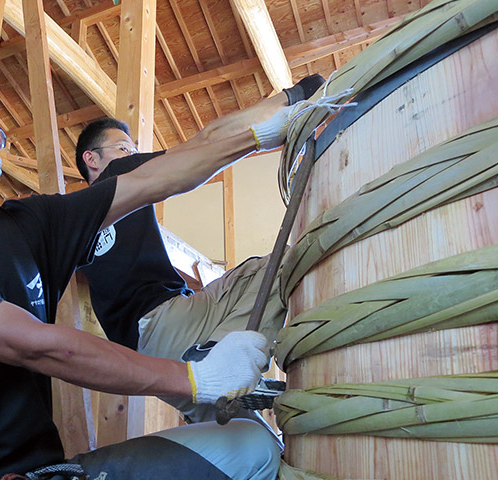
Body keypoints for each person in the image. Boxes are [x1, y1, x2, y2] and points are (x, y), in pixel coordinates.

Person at [0, 55, 301, 480]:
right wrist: (193, 379)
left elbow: (151, 179)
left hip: (43, 471)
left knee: (251, 443)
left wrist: (259, 136)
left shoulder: (26, 225)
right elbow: (32, 345)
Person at [75, 74, 325, 423]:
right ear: (92, 159)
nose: (132, 154)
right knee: (281, 264)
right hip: (166, 319)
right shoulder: (120, 171)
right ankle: (215, 353)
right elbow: (207, 142)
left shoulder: (71, 221)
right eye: (124, 148)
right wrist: (292, 96)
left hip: (148, 360)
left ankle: (216, 362)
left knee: (245, 434)